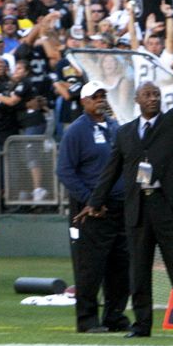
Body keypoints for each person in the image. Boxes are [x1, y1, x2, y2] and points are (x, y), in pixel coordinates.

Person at [79, 81, 173, 339]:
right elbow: (111, 171)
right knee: (138, 271)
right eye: (147, 95)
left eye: (156, 94)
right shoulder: (125, 132)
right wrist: (94, 202)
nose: (153, 98)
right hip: (138, 207)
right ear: (137, 100)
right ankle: (141, 325)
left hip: (168, 205)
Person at [56, 81, 130, 333]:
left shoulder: (114, 127)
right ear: (83, 101)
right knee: (90, 266)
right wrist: (90, 200)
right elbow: (65, 170)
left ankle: (115, 315)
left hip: (118, 205)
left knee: (120, 264)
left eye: (103, 95)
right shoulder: (76, 131)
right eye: (95, 96)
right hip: (90, 209)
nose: (100, 99)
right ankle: (87, 319)